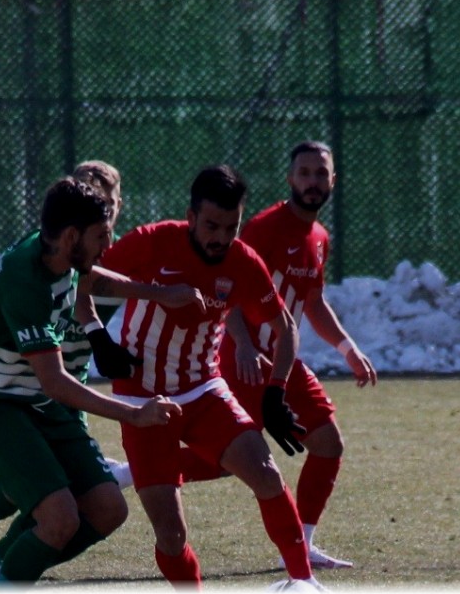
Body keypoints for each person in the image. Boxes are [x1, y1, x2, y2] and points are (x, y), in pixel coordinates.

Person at [0, 176, 201, 586]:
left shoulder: (56, 253)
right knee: (58, 517)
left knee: (108, 509)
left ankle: (1, 576)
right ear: (71, 236)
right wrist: (135, 414)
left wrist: (159, 294)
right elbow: (56, 383)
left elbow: (94, 279)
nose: (108, 244)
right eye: (101, 235)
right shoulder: (24, 282)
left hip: (35, 400)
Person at [97, 165, 321, 590]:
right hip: (142, 399)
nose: (221, 237)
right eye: (212, 226)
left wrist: (275, 392)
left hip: (203, 387)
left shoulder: (242, 262)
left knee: (267, 474)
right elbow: (88, 279)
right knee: (171, 534)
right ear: (191, 217)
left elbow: (285, 327)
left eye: (231, 227)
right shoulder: (153, 241)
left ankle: (302, 581)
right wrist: (155, 297)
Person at [160, 141, 378, 571]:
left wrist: (347, 348)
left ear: (333, 181)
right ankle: (135, 470)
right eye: (305, 173)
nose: (312, 181)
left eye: (321, 173)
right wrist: (242, 344)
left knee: (326, 443)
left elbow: (312, 302)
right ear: (290, 178)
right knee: (235, 458)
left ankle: (302, 545)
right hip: (246, 358)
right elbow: (228, 282)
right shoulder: (264, 227)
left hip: (281, 359)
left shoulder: (319, 237)